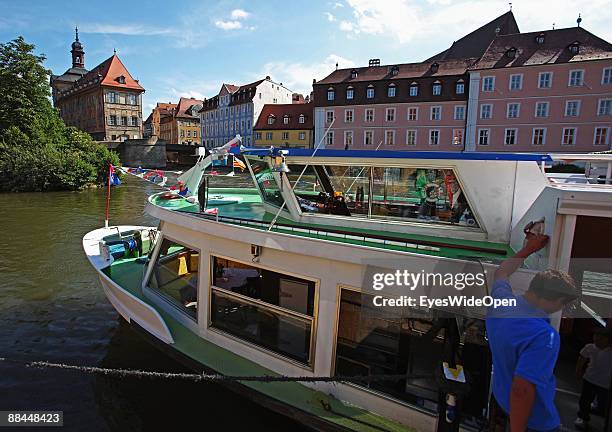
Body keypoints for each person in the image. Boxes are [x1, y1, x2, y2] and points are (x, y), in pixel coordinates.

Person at [486, 232, 577, 432]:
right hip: (536, 422)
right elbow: (521, 390)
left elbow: (501, 272)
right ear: (553, 299)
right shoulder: (544, 336)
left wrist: (529, 248)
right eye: (563, 304)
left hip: (505, 404)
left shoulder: (502, 303)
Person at [574, 327, 612, 428]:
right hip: (589, 379)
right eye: (595, 337)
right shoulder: (590, 347)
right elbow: (582, 358)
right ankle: (583, 417)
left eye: (600, 338)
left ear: (607, 340)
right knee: (585, 400)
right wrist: (578, 372)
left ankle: (602, 414)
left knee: (604, 403)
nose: (596, 340)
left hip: (605, 383)